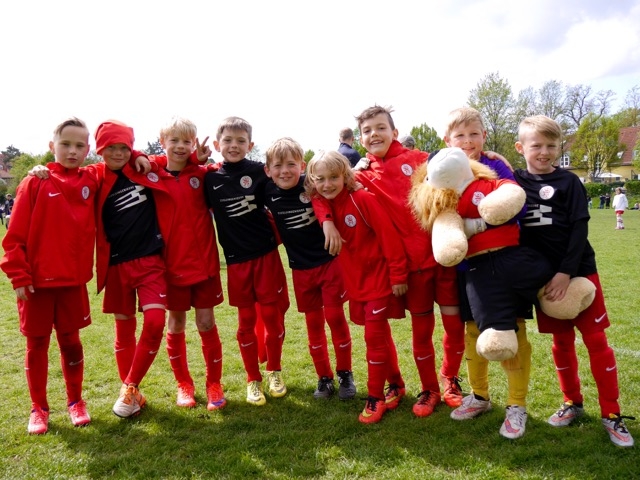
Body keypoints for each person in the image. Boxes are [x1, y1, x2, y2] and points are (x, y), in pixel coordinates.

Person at [317, 105, 465, 419]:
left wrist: (491, 159)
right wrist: (327, 220)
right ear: (360, 139)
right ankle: (428, 389)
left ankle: (450, 379)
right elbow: (321, 190)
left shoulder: (420, 159)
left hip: (443, 257)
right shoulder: (361, 176)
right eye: (367, 130)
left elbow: (461, 166)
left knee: (454, 324)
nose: (374, 134)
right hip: (411, 267)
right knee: (421, 332)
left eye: (380, 128)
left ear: (394, 132)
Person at [514, 115, 635, 448]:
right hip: (543, 279)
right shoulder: (514, 182)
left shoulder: (569, 182)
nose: (544, 152)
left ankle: (612, 413)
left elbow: (580, 229)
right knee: (561, 342)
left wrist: (566, 272)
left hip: (578, 271)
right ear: (520, 147)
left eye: (551, 146)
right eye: (536, 145)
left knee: (596, 340)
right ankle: (572, 402)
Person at [0, 117, 97, 434]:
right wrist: (19, 276)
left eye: (79, 145)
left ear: (88, 149)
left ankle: (75, 401)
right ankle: (38, 408)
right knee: (37, 344)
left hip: (72, 283)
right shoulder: (35, 182)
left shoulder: (91, 180)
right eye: (65, 144)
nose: (72, 151)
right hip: (37, 285)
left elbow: (121, 157)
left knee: (71, 342)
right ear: (51, 146)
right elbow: (14, 236)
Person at [441, 107, 533, 438]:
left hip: (505, 262)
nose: (467, 141)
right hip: (468, 266)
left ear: (484, 136)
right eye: (460, 135)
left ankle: (516, 405)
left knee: (514, 331)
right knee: (472, 331)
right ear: (447, 140)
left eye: (473, 134)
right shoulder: (442, 169)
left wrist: (479, 222)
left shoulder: (496, 166)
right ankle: (479, 396)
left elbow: (517, 204)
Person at [305, 150, 408, 423]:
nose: (327, 184)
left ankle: (375, 397)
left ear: (345, 176)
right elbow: (317, 198)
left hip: (379, 280)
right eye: (320, 179)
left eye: (333, 177)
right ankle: (396, 384)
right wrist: (327, 222)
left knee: (373, 337)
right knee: (380, 335)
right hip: (355, 282)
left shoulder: (363, 199)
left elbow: (389, 238)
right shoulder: (324, 202)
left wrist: (398, 276)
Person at [204, 116, 289, 406]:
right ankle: (252, 378)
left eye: (241, 141)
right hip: (236, 262)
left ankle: (274, 371)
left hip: (266, 256)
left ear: (250, 145)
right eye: (228, 140)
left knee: (272, 318)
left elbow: (287, 182)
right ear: (217, 144)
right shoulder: (209, 178)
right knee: (245, 323)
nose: (234, 145)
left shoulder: (259, 171)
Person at [264, 137, 356, 400]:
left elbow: (322, 199)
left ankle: (345, 374)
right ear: (268, 170)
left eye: (291, 164)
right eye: (278, 165)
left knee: (335, 318)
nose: (285, 171)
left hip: (329, 263)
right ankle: (324, 378)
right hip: (300, 270)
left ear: (302, 166)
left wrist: (326, 222)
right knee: (313, 324)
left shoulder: (311, 184)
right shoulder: (267, 190)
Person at [93, 120, 170, 419]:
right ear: (99, 150)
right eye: (110, 147)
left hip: (150, 261)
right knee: (123, 329)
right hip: (116, 265)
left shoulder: (141, 168)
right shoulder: (94, 177)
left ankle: (129, 386)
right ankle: (131, 394)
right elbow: (67, 177)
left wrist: (140, 155)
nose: (117, 153)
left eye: (124, 147)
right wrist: (40, 170)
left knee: (155, 321)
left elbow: (173, 156)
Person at [150, 117, 226, 410]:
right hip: (171, 265)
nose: (180, 146)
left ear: (194, 144)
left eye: (186, 141)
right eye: (174, 141)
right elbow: (132, 162)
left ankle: (214, 384)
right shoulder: (153, 174)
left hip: (204, 264)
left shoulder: (203, 174)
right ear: (163, 142)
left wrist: (198, 160)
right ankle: (184, 384)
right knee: (176, 323)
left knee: (206, 322)